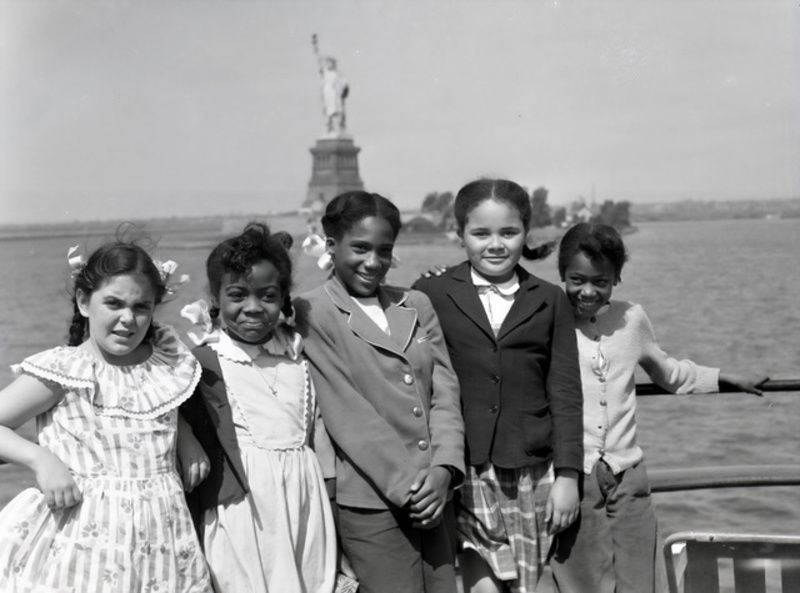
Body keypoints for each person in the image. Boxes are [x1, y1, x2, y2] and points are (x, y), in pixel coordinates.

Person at [549, 222, 769, 593]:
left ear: (617, 278)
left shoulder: (632, 319)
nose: (587, 291)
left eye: (600, 281)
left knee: (641, 581)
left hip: (627, 475)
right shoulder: (549, 318)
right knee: (584, 583)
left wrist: (724, 379)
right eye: (577, 279)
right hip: (575, 477)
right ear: (562, 276)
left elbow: (668, 373)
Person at [0, 240, 212, 593]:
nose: (128, 319)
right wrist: (40, 459)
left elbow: (157, 409)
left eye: (141, 307)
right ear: (84, 302)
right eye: (113, 303)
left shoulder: (164, 366)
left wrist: (185, 434)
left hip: (161, 541)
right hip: (84, 545)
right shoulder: (65, 371)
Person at [413, 178, 584, 593]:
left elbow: (565, 391)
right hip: (464, 465)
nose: (495, 244)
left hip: (531, 466)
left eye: (509, 233)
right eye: (481, 233)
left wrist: (568, 476)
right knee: (481, 582)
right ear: (459, 235)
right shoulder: (429, 292)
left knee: (533, 584)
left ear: (526, 233)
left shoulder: (550, 298)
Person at [293, 191, 465, 593]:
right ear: (331, 246)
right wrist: (410, 487)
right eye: (360, 248)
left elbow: (445, 391)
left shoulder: (416, 304)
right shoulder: (312, 311)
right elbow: (348, 413)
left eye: (384, 250)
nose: (373, 262)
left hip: (436, 497)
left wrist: (444, 470)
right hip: (373, 504)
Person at [177, 222, 337, 593]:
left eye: (267, 296)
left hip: (304, 499)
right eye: (237, 295)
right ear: (216, 298)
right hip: (242, 509)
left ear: (284, 298)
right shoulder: (202, 363)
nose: (252, 308)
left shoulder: (300, 354)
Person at [312, 34, 349, 136]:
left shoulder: (338, 74)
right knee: (329, 115)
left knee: (339, 114)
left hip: (336, 97)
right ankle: (329, 130)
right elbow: (318, 59)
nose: (329, 64)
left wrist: (343, 91)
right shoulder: (325, 73)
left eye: (331, 63)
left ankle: (340, 130)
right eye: (328, 63)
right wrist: (315, 46)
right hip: (328, 96)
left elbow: (345, 86)